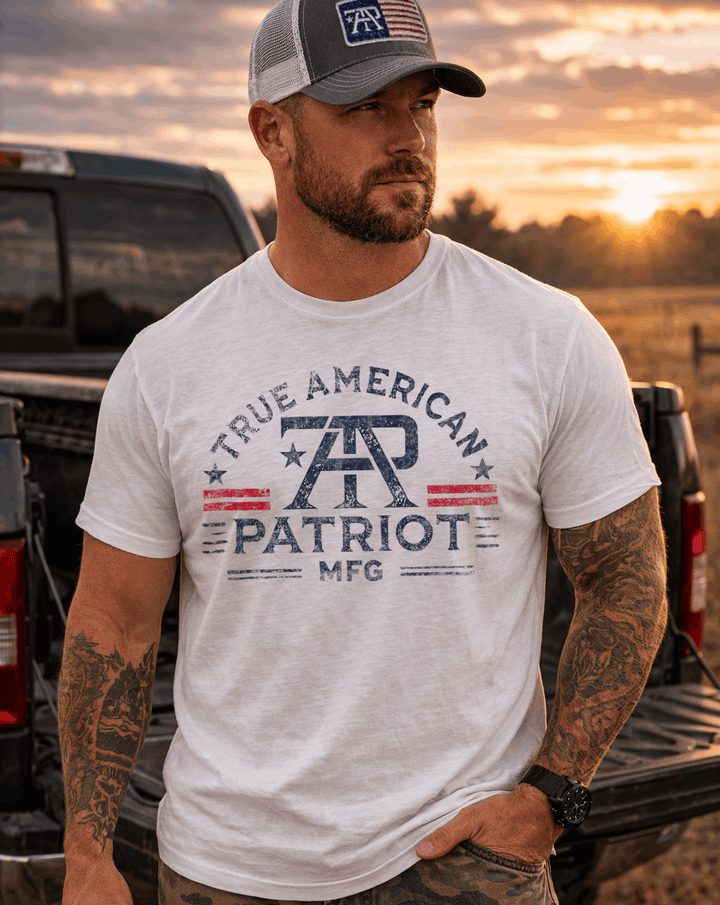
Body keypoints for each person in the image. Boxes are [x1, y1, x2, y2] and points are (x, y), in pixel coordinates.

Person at [58, 1, 668, 903]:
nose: (408, 137)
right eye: (364, 108)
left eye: (422, 103)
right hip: (228, 869)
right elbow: (112, 624)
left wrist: (552, 793)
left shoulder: (545, 335)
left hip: (465, 863)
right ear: (272, 131)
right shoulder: (170, 365)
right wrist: (88, 852)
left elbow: (629, 575)